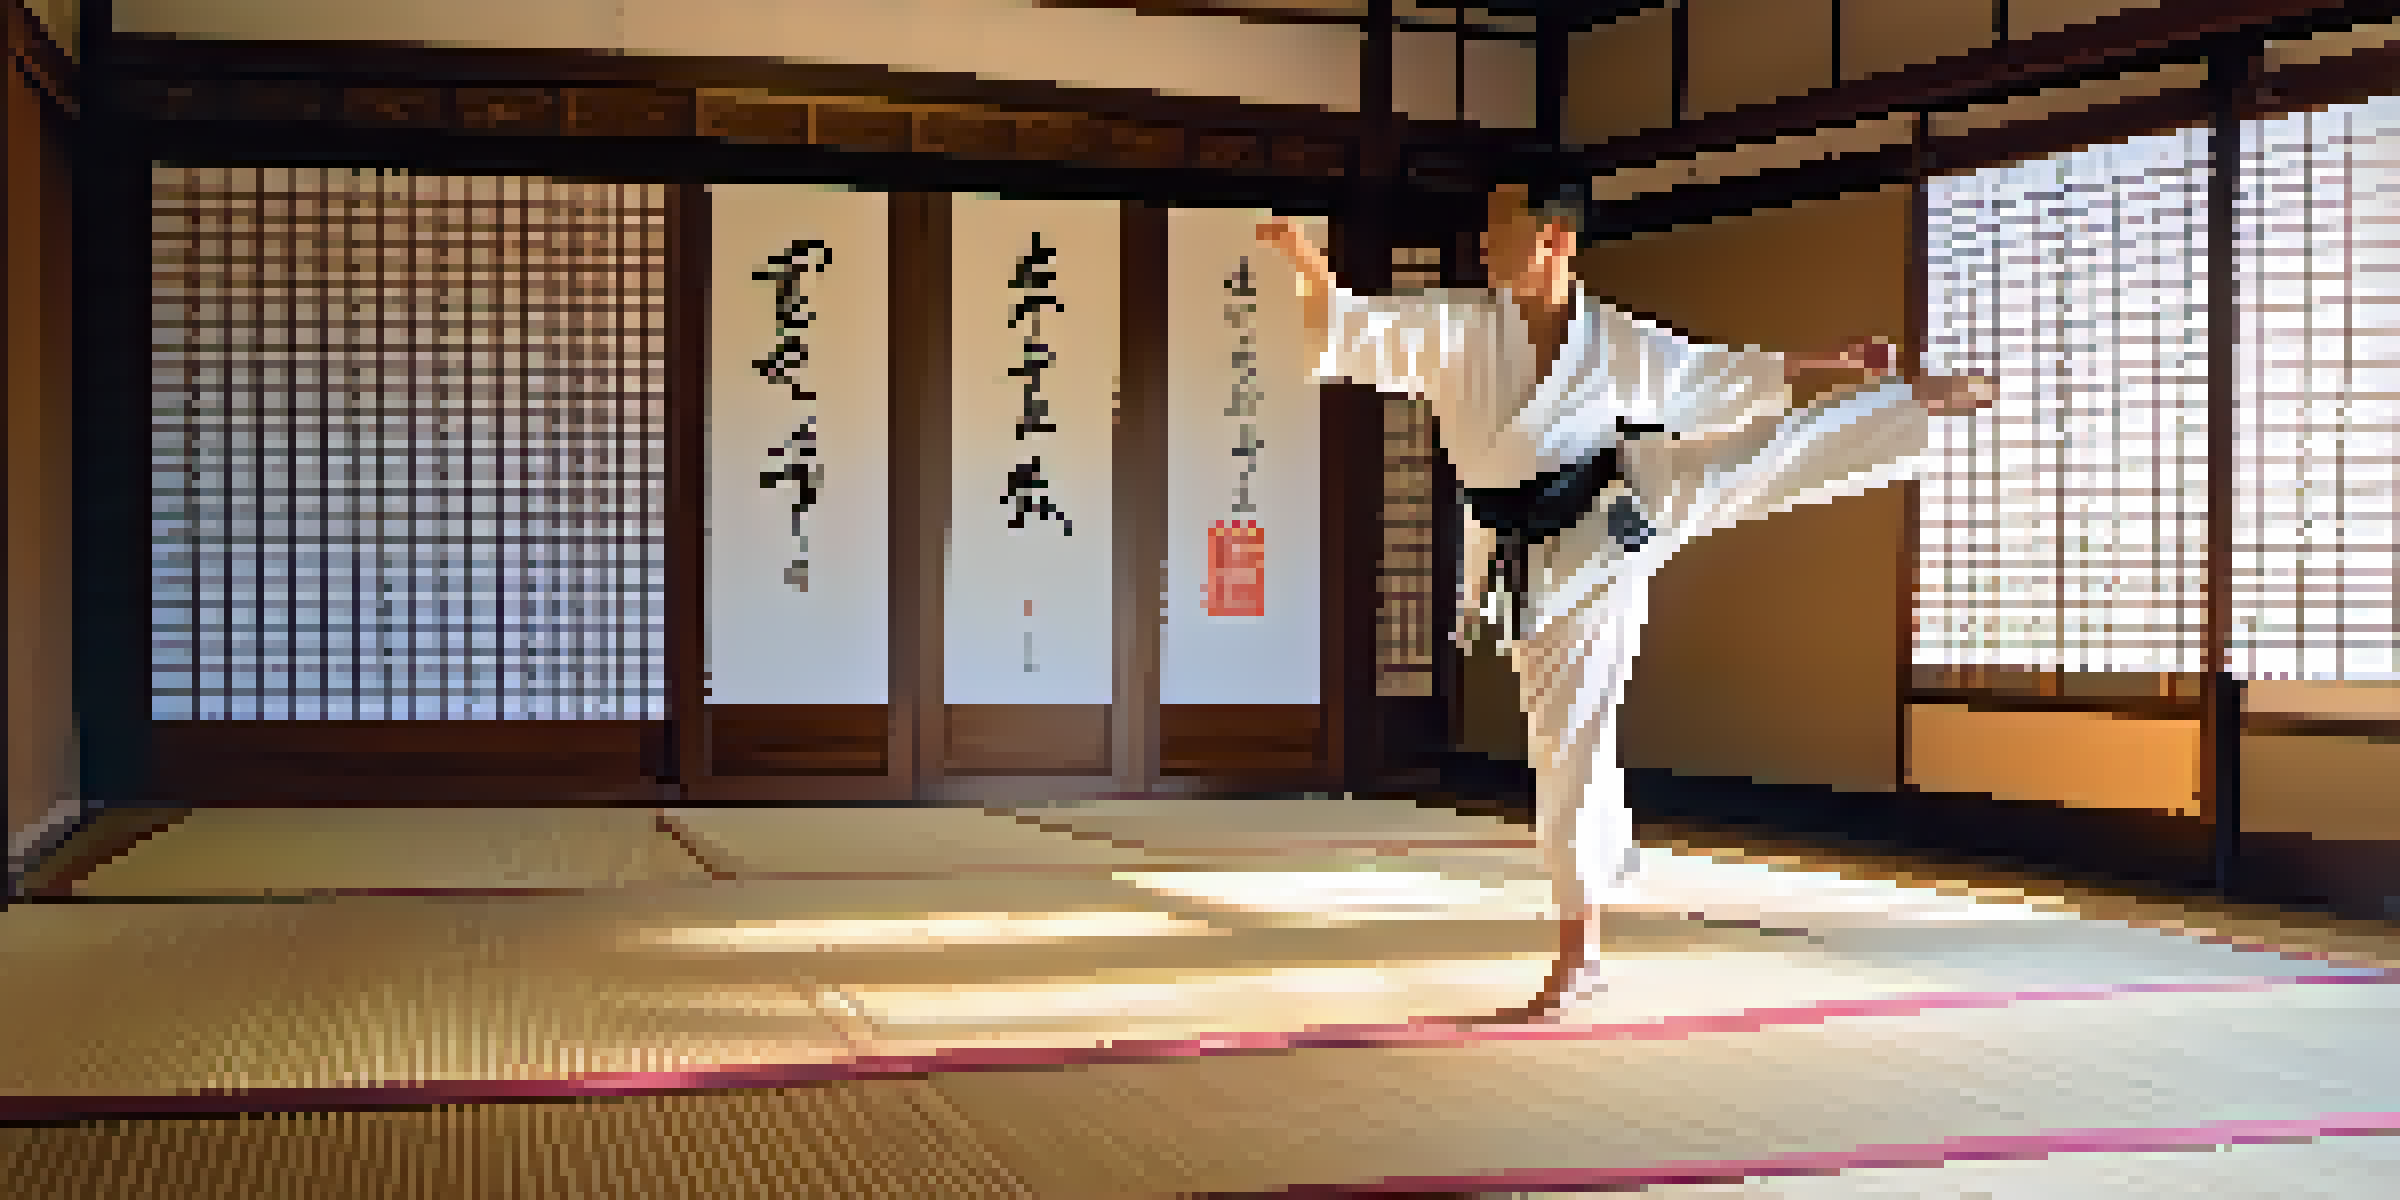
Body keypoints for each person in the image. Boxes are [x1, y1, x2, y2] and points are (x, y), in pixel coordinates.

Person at [1257, 182, 1994, 1025]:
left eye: (1504, 225)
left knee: (1753, 458)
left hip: (1620, 506)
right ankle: (1587, 949)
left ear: (1555, 236)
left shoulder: (1615, 341)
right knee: (1569, 740)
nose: (1487, 240)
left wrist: (1828, 364)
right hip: (1536, 555)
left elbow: (1715, 378)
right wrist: (1320, 283)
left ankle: (1912, 406)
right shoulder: (1461, 324)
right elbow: (1363, 330)